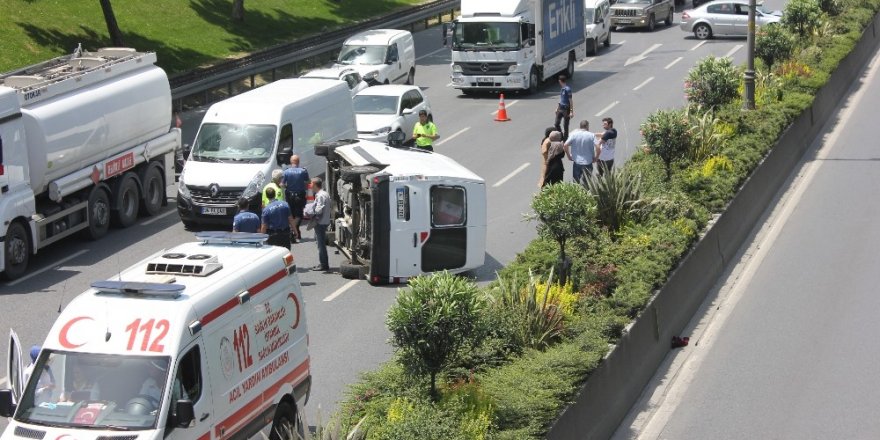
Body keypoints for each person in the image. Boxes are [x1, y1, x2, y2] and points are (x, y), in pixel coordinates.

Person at [282, 155, 310, 242]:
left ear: (291, 162)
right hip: (300, 196)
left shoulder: (286, 172)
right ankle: (293, 230)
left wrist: (288, 186)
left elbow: (282, 184)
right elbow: (308, 181)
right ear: (298, 162)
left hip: (289, 196)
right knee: (299, 215)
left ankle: (295, 232)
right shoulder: (303, 171)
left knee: (292, 214)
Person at [308, 177, 332, 272]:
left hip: (320, 223)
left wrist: (310, 211)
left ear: (314, 184)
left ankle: (324, 265)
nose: (310, 185)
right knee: (320, 243)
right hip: (324, 221)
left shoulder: (320, 195)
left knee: (320, 244)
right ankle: (323, 263)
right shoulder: (324, 193)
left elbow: (318, 210)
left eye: (311, 184)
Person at [554, 75, 574, 140]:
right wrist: (557, 108)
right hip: (560, 108)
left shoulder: (568, 89)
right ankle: (561, 135)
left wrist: (571, 111)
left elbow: (571, 101)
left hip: (566, 109)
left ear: (560, 81)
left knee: (565, 125)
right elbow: (561, 99)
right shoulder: (562, 89)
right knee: (556, 123)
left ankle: (565, 139)